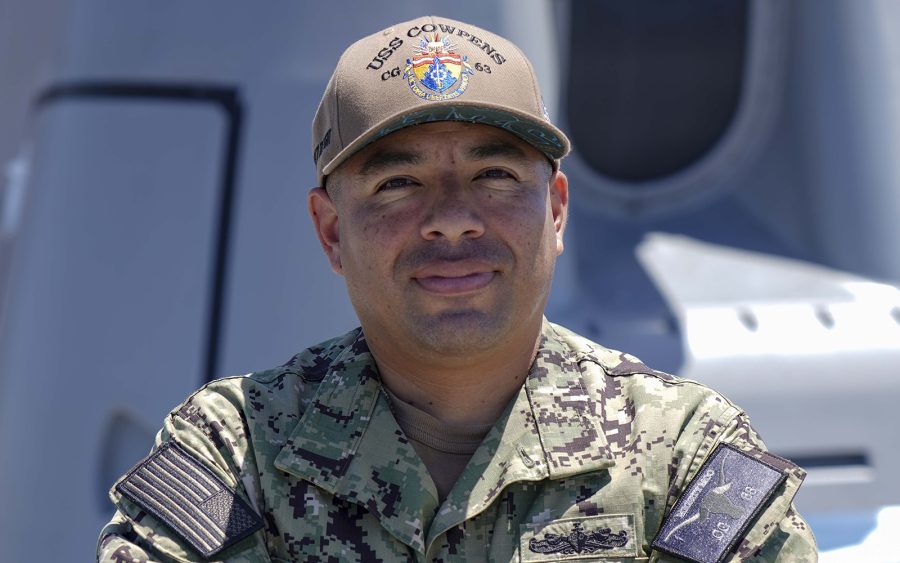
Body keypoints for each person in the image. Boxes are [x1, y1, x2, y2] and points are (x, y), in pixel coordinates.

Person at [97, 15, 817, 562]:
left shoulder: (683, 449)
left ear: (557, 210)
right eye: (398, 183)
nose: (450, 219)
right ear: (331, 232)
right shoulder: (237, 447)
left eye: (495, 175)